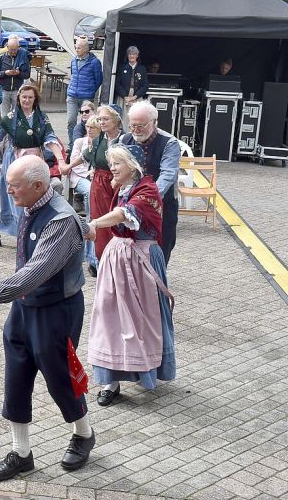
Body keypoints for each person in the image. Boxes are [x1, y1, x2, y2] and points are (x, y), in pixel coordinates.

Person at [0, 155, 95, 482]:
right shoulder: (33, 203)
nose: (8, 192)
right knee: (16, 375)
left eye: (14, 186)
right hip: (24, 306)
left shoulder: (60, 220)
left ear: (37, 186)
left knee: (59, 376)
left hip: (56, 309)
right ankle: (21, 453)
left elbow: (34, 274)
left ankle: (84, 433)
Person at [86, 145, 176, 407]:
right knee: (108, 316)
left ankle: (146, 370)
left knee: (143, 319)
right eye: (111, 162)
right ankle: (109, 381)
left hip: (142, 259)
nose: (112, 167)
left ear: (133, 166)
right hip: (117, 258)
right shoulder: (122, 188)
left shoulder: (147, 190)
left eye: (117, 163)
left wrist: (94, 223)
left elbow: (124, 214)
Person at [0, 84, 65, 247]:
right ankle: (25, 237)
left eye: (30, 97)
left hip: (35, 160)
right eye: (24, 97)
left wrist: (62, 161)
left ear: (35, 98)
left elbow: (51, 139)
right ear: (19, 98)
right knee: (18, 199)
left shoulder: (42, 117)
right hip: (15, 160)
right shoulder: (9, 117)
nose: (27, 100)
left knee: (35, 197)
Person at [119, 100, 181, 265]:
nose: (135, 131)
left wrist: (148, 197)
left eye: (141, 126)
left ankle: (158, 285)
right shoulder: (125, 140)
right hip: (131, 204)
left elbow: (168, 173)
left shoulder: (169, 142)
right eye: (132, 126)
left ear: (155, 122)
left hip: (163, 205)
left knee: (162, 248)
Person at [65, 105, 123, 261]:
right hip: (99, 184)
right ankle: (99, 259)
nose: (102, 123)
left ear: (117, 120)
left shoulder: (125, 139)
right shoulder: (98, 140)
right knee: (99, 220)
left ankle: (116, 258)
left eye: (105, 119)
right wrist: (68, 167)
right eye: (100, 119)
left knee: (118, 221)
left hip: (119, 185)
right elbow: (85, 156)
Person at [68, 115, 100, 275]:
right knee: (89, 190)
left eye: (92, 127)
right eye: (87, 127)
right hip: (80, 177)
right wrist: (88, 174)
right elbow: (75, 162)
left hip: (96, 179)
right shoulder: (80, 142)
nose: (89, 130)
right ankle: (89, 217)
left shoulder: (101, 143)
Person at [65, 38, 103, 145]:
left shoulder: (95, 62)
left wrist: (90, 90)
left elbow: (99, 79)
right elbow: (73, 75)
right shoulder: (73, 60)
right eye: (76, 47)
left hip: (86, 97)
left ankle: (85, 142)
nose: (76, 49)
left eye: (79, 48)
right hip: (72, 95)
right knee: (71, 121)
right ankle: (72, 144)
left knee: (85, 122)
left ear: (86, 49)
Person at [0, 36, 30, 116]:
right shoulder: (1, 57)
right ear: (7, 47)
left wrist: (19, 73)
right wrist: (5, 73)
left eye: (15, 49)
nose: (13, 52)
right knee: (4, 116)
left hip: (17, 90)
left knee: (17, 115)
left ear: (18, 47)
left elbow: (27, 75)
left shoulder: (23, 57)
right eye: (11, 49)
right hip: (3, 90)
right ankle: (4, 129)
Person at [114, 46, 148, 128]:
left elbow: (145, 85)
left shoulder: (142, 69)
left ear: (137, 56)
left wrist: (134, 97)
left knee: (135, 119)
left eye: (134, 54)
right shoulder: (122, 67)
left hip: (136, 97)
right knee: (122, 120)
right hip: (123, 97)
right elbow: (117, 84)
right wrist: (125, 97)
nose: (131, 56)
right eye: (130, 54)